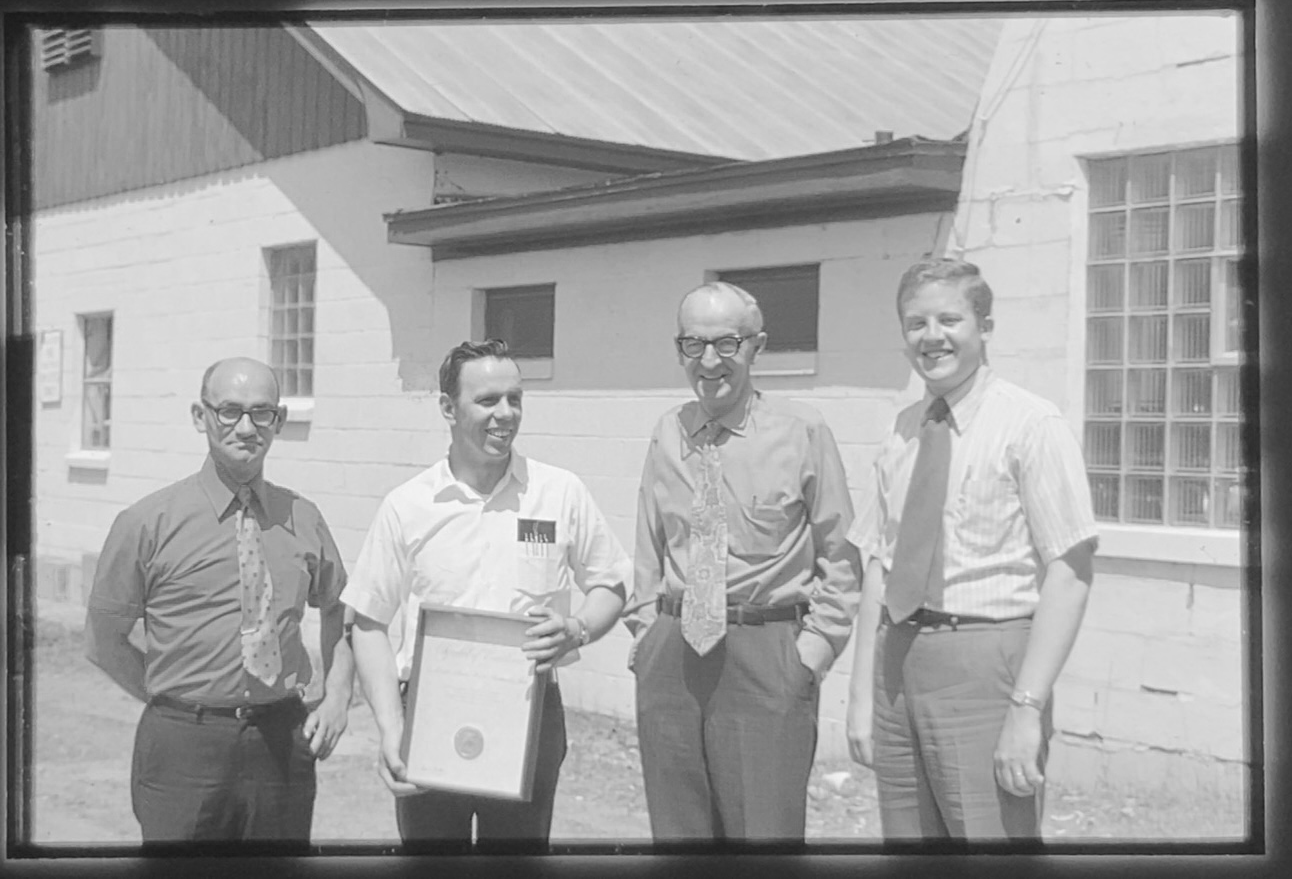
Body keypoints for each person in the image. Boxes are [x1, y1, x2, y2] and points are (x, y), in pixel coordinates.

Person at [342, 338, 630, 853]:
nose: (506, 414)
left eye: (515, 399)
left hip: (531, 715)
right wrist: (392, 728)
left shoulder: (559, 492)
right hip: (429, 716)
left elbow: (610, 584)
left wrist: (578, 628)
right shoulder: (408, 506)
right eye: (488, 401)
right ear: (448, 409)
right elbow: (367, 622)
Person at [844, 258, 1098, 840]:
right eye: (915, 324)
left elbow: (1072, 571)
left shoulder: (1031, 424)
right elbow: (877, 567)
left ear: (984, 326)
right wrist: (862, 696)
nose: (932, 337)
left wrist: (1026, 707)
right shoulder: (903, 429)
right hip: (897, 661)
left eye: (949, 319)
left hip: (986, 661)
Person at [624, 281, 861, 842]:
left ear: (757, 347)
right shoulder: (668, 432)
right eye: (693, 344)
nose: (709, 361)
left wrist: (813, 651)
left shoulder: (803, 430)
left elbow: (842, 553)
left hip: (766, 656)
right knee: (678, 834)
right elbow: (648, 546)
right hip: (673, 654)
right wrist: (643, 633)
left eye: (727, 343)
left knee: (764, 837)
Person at [84, 357, 353, 847]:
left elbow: (340, 607)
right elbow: (104, 640)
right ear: (199, 416)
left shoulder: (303, 517)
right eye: (228, 411)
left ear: (279, 421)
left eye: (261, 412)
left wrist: (337, 697)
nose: (246, 427)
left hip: (281, 742)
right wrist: (176, 702)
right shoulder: (147, 522)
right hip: (183, 747)